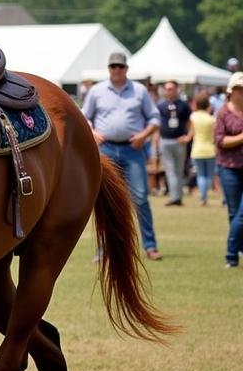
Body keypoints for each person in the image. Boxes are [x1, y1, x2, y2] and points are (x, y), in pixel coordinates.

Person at [82, 51, 161, 260]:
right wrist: (92, 132)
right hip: (105, 149)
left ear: (126, 69)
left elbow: (154, 118)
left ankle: (150, 246)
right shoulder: (97, 90)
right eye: (113, 67)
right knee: (105, 200)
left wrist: (144, 136)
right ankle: (104, 248)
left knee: (141, 197)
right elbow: (84, 117)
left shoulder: (139, 90)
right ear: (109, 69)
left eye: (120, 66)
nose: (117, 70)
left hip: (132, 149)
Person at [214, 72, 243, 269]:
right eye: (239, 89)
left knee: (241, 215)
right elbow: (220, 141)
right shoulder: (223, 112)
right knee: (234, 214)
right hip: (229, 168)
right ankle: (236, 253)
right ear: (231, 92)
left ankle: (231, 254)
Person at [157, 80, 192, 206]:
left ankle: (178, 197)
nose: (169, 91)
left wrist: (188, 137)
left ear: (177, 89)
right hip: (165, 141)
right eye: (167, 89)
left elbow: (190, 123)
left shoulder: (183, 105)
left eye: (171, 88)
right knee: (170, 170)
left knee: (179, 170)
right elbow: (157, 124)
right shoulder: (161, 106)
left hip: (179, 141)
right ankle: (174, 197)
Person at [189, 91, 216, 206]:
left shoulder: (193, 117)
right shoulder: (212, 119)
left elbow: (191, 133)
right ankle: (205, 196)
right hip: (210, 149)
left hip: (197, 149)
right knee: (209, 175)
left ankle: (202, 197)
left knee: (200, 175)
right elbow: (215, 136)